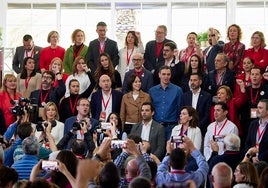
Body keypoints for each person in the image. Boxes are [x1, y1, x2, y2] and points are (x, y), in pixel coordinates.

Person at [149, 65, 183, 140]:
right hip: (156, 126)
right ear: (159, 75)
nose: (166, 76)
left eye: (168, 74)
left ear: (171, 75)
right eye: (163, 74)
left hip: (172, 127)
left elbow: (180, 109)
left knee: (170, 149)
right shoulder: (152, 91)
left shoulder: (178, 90)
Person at [244, 99, 268, 163]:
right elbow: (247, 143)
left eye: (260, 108)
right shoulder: (253, 124)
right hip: (252, 161)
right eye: (257, 107)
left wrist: (259, 158)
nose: (257, 110)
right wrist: (251, 157)